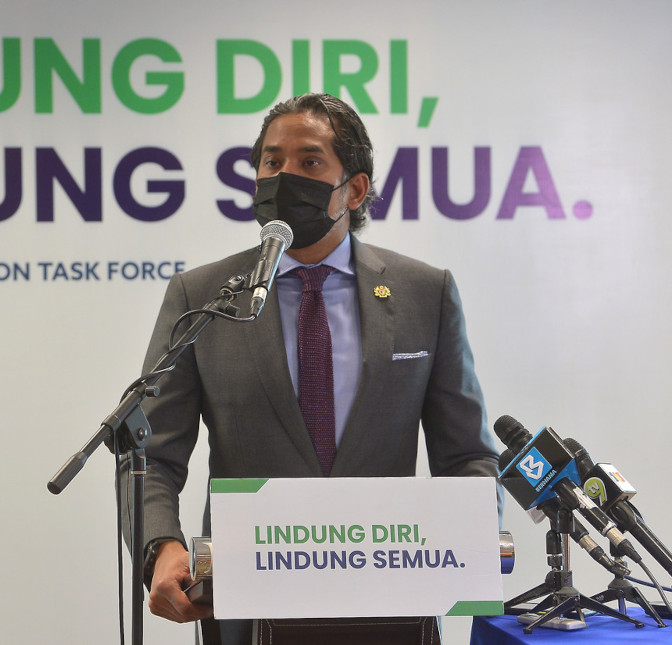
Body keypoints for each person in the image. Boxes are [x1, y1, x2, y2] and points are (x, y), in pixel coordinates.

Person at [123, 93, 501, 644]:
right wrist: (163, 547)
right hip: (246, 605)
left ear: (354, 189)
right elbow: (149, 455)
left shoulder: (425, 293)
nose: (284, 176)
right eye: (272, 162)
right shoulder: (203, 296)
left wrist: (472, 531)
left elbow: (467, 453)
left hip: (392, 604)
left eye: (309, 162)